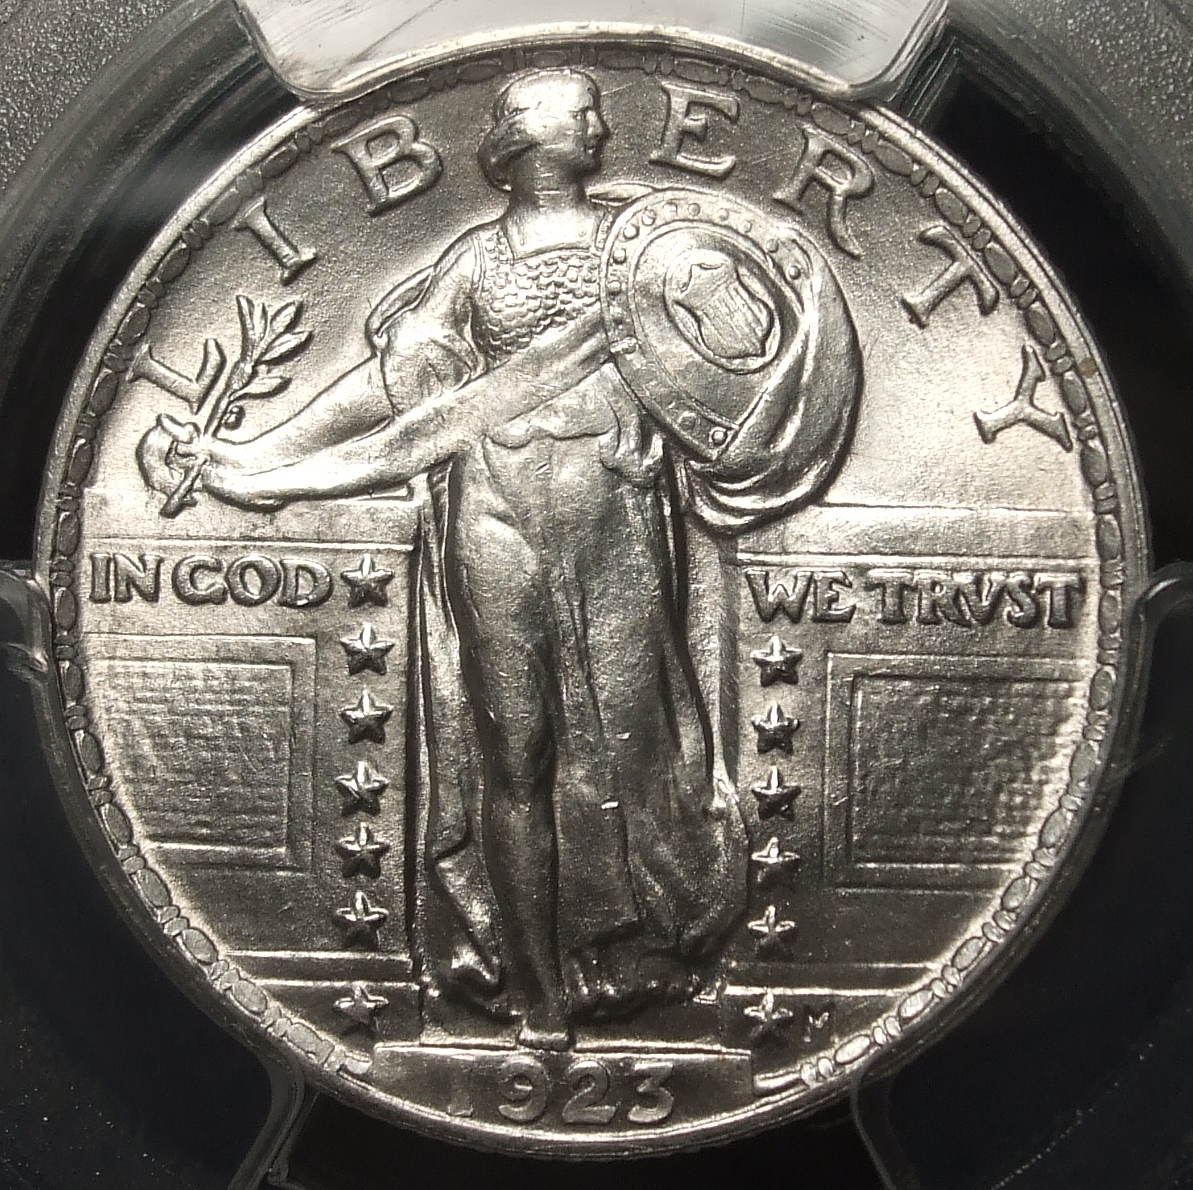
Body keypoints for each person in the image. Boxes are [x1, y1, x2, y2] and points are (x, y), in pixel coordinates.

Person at [141, 67, 863, 1049]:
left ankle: (631, 948)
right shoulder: (475, 262)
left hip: (614, 517)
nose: (588, 123)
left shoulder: (645, 247)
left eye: (586, 111)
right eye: (567, 112)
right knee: (512, 751)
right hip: (493, 516)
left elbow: (733, 356)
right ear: (516, 142)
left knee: (634, 739)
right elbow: (393, 390)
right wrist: (250, 459)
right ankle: (534, 986)